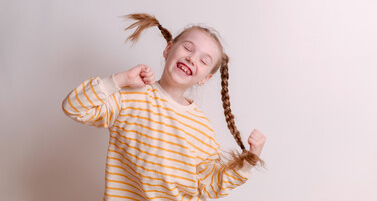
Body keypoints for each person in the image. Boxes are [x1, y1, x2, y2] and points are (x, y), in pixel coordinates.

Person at [62, 13, 266, 200]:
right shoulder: (131, 97)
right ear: (168, 49)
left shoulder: (201, 127)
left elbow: (211, 186)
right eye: (188, 48)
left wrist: (250, 159)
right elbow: (75, 107)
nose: (192, 58)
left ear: (205, 78)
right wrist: (120, 80)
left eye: (204, 61)